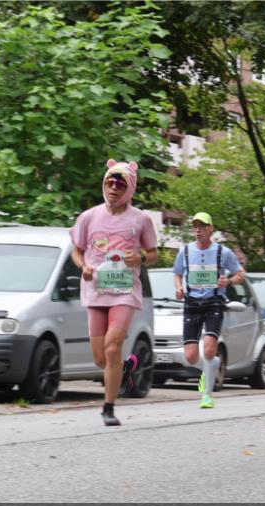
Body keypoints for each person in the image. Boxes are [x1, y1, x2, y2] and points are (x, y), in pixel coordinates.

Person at [70, 160, 158, 426]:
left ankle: (108, 408)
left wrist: (140, 258)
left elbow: (153, 255)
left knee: (111, 348)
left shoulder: (141, 219)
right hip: (96, 290)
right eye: (109, 182)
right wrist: (83, 265)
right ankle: (126, 366)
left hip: (124, 291)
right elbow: (77, 250)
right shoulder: (88, 217)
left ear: (129, 188)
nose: (113, 188)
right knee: (100, 359)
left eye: (120, 185)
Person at [172, 211, 246, 409]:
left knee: (210, 348)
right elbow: (177, 274)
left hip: (214, 301)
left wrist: (228, 281)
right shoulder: (185, 251)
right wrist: (179, 288)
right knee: (190, 356)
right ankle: (211, 365)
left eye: (203, 226)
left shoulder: (223, 252)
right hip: (192, 303)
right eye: (195, 226)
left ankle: (207, 395)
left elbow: (241, 274)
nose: (198, 230)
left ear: (211, 229)